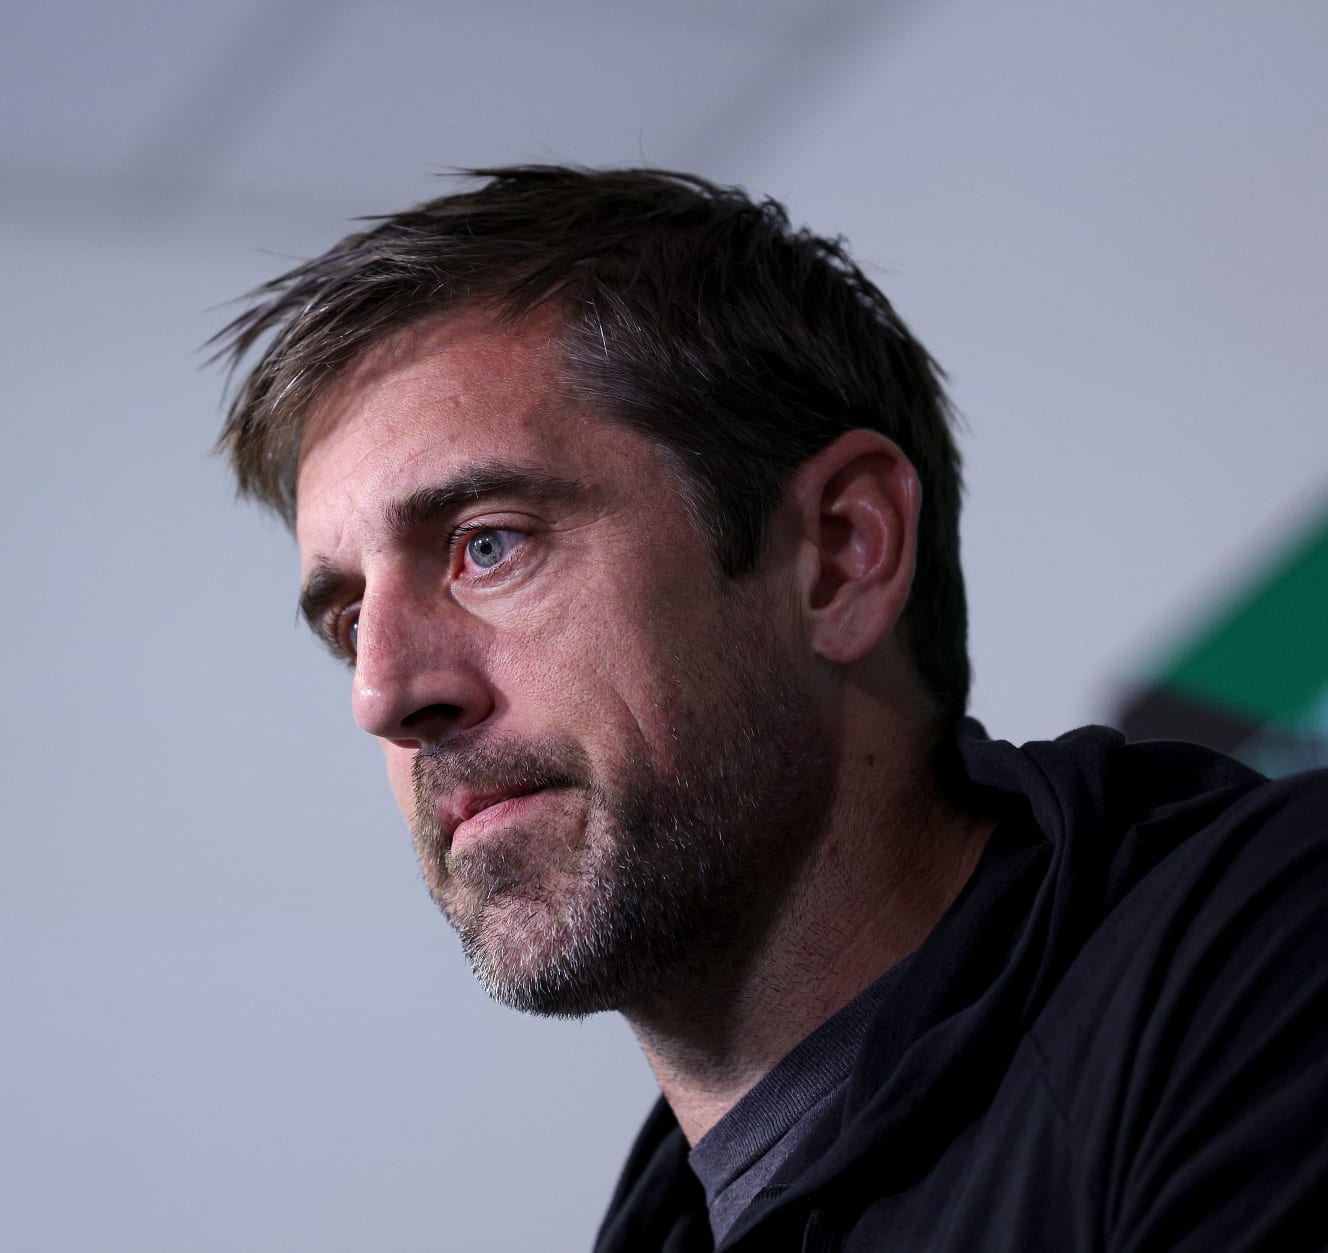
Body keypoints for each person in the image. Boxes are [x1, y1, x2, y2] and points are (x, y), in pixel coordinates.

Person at [209, 166, 1328, 1251]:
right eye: (350, 618)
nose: (387, 695)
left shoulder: (1267, 957)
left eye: (487, 545)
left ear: (838, 555)